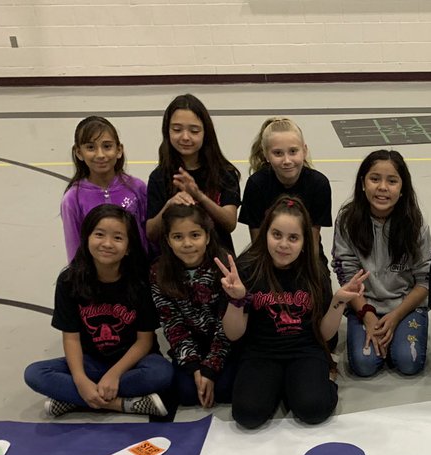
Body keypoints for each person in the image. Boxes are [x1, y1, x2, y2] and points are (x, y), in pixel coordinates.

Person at [219, 197, 369, 429]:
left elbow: (325, 334)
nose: (283, 244)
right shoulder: (247, 268)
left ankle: (323, 377)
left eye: (293, 238)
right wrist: (236, 300)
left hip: (304, 350)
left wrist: (338, 302)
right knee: (247, 415)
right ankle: (283, 384)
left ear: (304, 241)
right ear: (265, 234)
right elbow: (233, 334)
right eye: (276, 234)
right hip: (261, 352)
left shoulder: (314, 271)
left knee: (313, 409)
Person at [24, 204, 171, 417]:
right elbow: (71, 338)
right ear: (86, 238)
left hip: (133, 362)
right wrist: (81, 380)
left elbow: (144, 341)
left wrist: (114, 374)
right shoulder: (69, 281)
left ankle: (76, 400)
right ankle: (122, 403)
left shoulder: (140, 282)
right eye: (99, 235)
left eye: (118, 238)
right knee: (35, 374)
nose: (107, 244)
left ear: (129, 246)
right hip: (91, 361)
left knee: (161, 373)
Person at [332, 150, 431, 377]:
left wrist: (396, 317)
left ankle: (396, 337)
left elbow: (425, 279)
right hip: (365, 304)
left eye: (392, 181)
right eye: (374, 179)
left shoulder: (416, 224)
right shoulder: (347, 221)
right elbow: (347, 275)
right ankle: (379, 339)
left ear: (403, 188)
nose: (383, 187)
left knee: (409, 362)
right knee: (364, 365)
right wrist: (368, 316)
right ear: (362, 183)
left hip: (406, 305)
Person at [150, 204, 236, 410]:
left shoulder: (224, 266)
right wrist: (195, 368)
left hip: (225, 345)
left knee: (225, 390)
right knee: (186, 394)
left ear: (207, 236)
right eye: (178, 237)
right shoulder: (159, 272)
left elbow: (225, 325)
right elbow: (172, 324)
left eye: (195, 235)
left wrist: (210, 370)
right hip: (190, 346)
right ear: (168, 240)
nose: (187, 243)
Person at [145, 94, 241, 254]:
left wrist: (199, 196)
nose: (185, 137)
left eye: (194, 131)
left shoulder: (225, 173)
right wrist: (169, 205)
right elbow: (151, 232)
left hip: (218, 262)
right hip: (174, 266)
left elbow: (230, 223)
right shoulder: (159, 176)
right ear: (167, 131)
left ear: (206, 132)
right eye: (177, 129)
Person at [240, 117, 332, 282]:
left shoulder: (319, 184)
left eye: (293, 151)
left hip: (305, 257)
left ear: (304, 150)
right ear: (266, 154)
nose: (287, 160)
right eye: (278, 153)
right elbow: (258, 242)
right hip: (268, 257)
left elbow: (313, 241)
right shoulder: (256, 184)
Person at [59, 116, 148, 260]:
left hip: (137, 276)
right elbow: (74, 249)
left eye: (107, 146)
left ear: (119, 150)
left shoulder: (137, 188)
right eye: (90, 147)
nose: (100, 155)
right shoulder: (72, 199)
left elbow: (148, 237)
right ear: (79, 153)